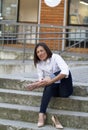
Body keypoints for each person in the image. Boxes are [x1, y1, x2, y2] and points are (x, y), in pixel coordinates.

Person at [27, 42, 73, 128]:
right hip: (54, 89)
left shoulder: (56, 57)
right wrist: (36, 85)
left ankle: (50, 79)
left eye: (41, 51)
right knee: (47, 84)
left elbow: (65, 72)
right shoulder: (39, 64)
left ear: (46, 50)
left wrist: (51, 79)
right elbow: (41, 79)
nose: (40, 53)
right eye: (38, 52)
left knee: (64, 71)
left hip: (65, 89)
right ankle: (41, 114)